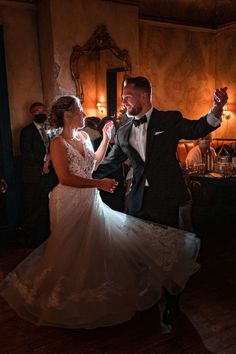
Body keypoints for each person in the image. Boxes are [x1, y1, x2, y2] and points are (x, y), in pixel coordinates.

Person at [1, 95, 200, 331]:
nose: (85, 114)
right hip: (68, 202)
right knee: (71, 251)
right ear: (67, 115)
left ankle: (93, 293)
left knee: (94, 247)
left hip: (89, 199)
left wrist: (106, 138)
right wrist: (99, 184)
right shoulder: (57, 143)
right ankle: (66, 299)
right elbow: (65, 178)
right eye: (80, 110)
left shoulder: (85, 136)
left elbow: (93, 164)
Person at [94, 77, 228, 229]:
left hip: (167, 199)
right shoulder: (123, 132)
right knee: (137, 247)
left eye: (127, 97)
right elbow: (109, 163)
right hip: (137, 202)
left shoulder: (169, 119)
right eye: (122, 98)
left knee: (166, 247)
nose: (123, 102)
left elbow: (196, 128)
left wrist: (217, 108)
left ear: (144, 96)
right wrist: (83, 178)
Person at [19, 102, 58, 247]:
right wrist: (46, 159)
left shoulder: (51, 130)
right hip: (34, 176)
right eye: (37, 111)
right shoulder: (26, 132)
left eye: (43, 110)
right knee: (35, 207)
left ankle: (48, 236)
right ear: (32, 114)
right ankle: (33, 239)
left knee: (49, 205)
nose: (41, 113)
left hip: (51, 174)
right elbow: (27, 154)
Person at [92, 116, 128, 212]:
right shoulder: (97, 142)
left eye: (113, 126)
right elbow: (95, 161)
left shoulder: (119, 142)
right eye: (108, 126)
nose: (111, 129)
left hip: (118, 180)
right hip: (103, 179)